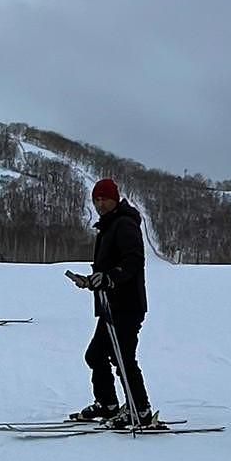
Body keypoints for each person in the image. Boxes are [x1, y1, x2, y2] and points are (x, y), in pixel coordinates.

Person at [68, 178, 153, 427]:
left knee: (123, 358)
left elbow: (133, 261)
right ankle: (108, 404)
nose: (100, 203)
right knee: (95, 355)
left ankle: (140, 409)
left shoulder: (124, 224)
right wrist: (91, 281)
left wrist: (109, 278)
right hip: (110, 306)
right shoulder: (108, 226)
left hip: (127, 306)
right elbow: (108, 269)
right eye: (96, 199)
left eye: (104, 198)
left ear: (115, 199)